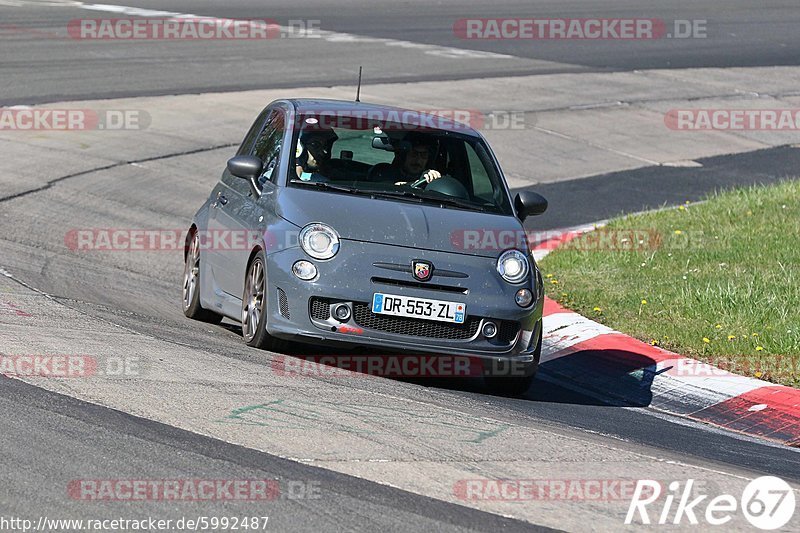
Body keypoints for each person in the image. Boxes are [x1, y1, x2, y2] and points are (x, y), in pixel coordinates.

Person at [370, 132, 444, 186]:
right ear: (404, 155)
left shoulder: (431, 179)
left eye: (423, 155)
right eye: (414, 154)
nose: (418, 160)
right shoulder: (385, 174)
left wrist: (435, 181)